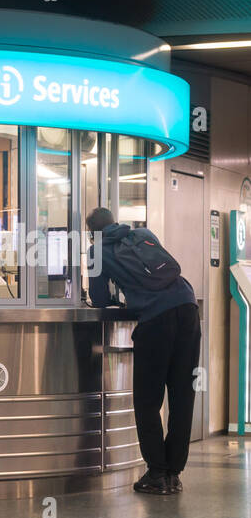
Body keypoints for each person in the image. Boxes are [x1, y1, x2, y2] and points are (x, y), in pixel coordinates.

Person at [85, 207, 200, 495]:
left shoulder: (97, 250)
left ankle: (157, 473)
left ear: (91, 232)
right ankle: (174, 472)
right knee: (182, 394)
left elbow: (98, 299)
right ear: (114, 222)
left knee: (148, 400)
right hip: (188, 308)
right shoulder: (143, 233)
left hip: (156, 320)